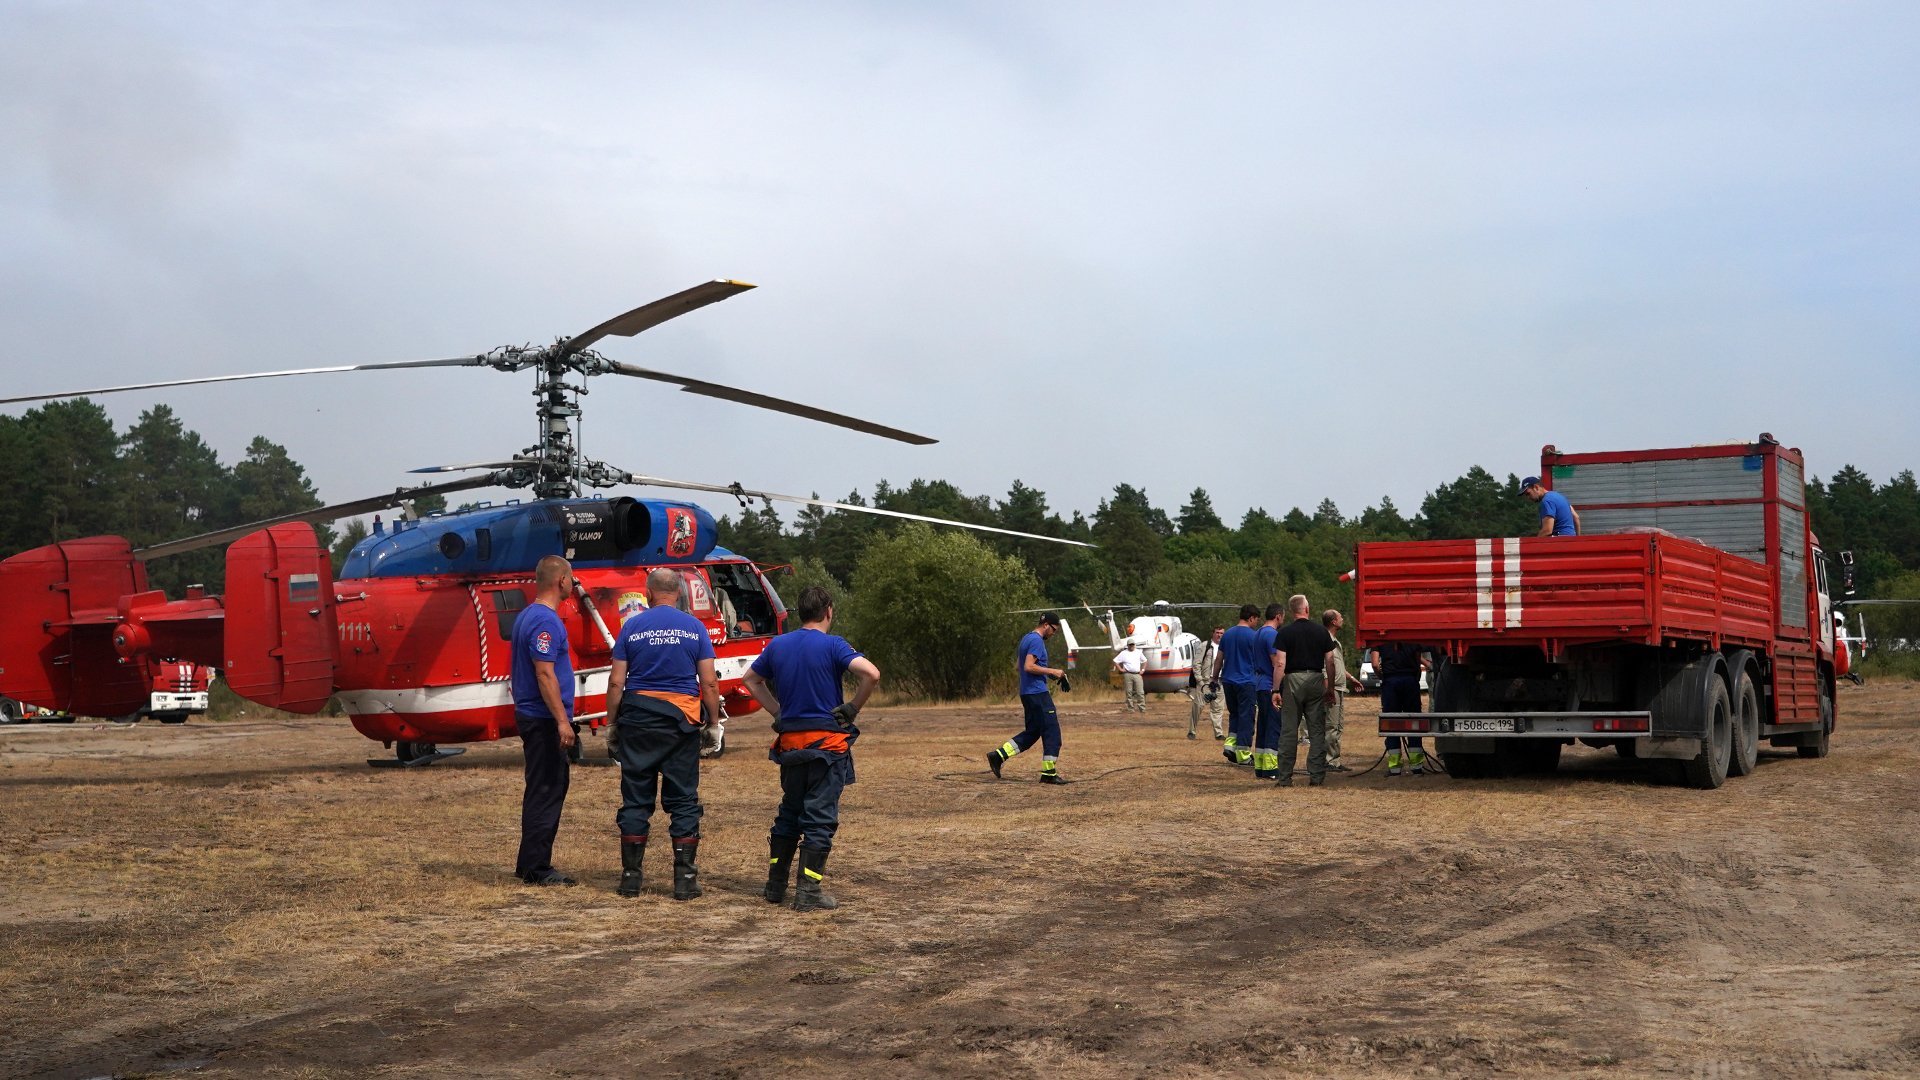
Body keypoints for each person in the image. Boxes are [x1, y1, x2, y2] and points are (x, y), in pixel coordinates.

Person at [741, 585, 881, 912]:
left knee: (789, 812)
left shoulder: (778, 646)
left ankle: (775, 886)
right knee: (819, 818)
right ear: (829, 611)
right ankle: (808, 892)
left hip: (790, 746)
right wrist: (853, 708)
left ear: (800, 612)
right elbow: (871, 674)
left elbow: (750, 680)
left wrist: (778, 712)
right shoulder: (834, 645)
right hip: (827, 748)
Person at [605, 567, 720, 901]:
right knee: (683, 800)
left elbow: (616, 682)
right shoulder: (695, 627)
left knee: (635, 801)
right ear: (679, 593)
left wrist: (612, 725)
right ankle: (684, 882)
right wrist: (713, 724)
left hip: (638, 721)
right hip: (680, 723)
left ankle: (630, 880)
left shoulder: (632, 628)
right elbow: (709, 682)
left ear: (649, 593)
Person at [511, 555, 579, 886]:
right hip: (542, 719)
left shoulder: (528, 615)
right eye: (571, 578)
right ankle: (538, 867)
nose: (573, 584)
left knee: (540, 788)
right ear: (560, 580)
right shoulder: (545, 622)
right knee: (548, 789)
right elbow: (544, 673)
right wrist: (562, 721)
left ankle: (529, 862)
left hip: (533, 715)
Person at [988, 613, 1071, 783]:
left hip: (1027, 693)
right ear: (1046, 625)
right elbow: (1028, 666)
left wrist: (1045, 674)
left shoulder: (1026, 638)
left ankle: (998, 756)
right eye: (1054, 630)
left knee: (1033, 732)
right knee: (1052, 732)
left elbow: (1019, 666)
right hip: (1038, 693)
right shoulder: (1037, 641)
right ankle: (1049, 774)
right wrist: (1053, 671)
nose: (1053, 634)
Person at [1270, 594, 1339, 787]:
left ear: (1292, 611)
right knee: (1317, 730)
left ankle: (1284, 778)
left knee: (1289, 730)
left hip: (1292, 679)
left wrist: (1276, 689)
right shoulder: (1321, 631)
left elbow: (1280, 663)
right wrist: (1331, 687)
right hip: (1316, 679)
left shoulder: (1284, 633)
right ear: (1307, 609)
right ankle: (1316, 776)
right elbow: (1330, 661)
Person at [1370, 641, 1432, 775]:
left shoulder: (1378, 639)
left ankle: (1395, 768)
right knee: (1414, 723)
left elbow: (1375, 664)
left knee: (1391, 723)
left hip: (1391, 682)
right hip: (1410, 681)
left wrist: (1383, 677)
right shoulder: (1411, 638)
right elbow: (1417, 660)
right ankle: (1416, 767)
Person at [1216, 605, 1263, 766]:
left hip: (1228, 681)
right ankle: (1243, 754)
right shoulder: (1254, 636)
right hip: (1246, 682)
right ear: (1251, 618)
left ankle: (1230, 746)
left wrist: (1214, 679)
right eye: (1256, 620)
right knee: (1247, 717)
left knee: (1234, 714)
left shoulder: (1227, 634)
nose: (1257, 623)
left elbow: (1218, 659)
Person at [1320, 609, 1365, 771]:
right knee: (1331, 726)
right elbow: (1325, 668)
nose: (1343, 619)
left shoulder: (1333, 640)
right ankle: (1329, 761)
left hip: (1339, 688)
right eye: (1340, 617)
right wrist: (1328, 689)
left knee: (1338, 726)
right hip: (1332, 689)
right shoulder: (1325, 640)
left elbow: (1337, 666)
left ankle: (1335, 760)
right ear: (1333, 621)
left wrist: (1352, 678)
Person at [1251, 602, 1286, 779]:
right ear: (1278, 616)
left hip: (1259, 683)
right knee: (1273, 725)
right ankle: (1272, 768)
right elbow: (1277, 662)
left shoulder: (1258, 633)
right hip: (1269, 685)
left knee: (1263, 726)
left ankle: (1260, 766)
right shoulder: (1272, 635)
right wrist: (1278, 687)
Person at [1187, 627, 1226, 741]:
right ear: (1213, 634)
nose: (1219, 635)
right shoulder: (1205, 645)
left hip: (1219, 681)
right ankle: (1192, 731)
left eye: (1222, 633)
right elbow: (1197, 663)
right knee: (1198, 706)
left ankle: (1218, 733)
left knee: (1218, 709)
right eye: (1217, 633)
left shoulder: (1226, 647)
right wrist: (1200, 680)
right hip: (1205, 681)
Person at [1113, 639, 1147, 713]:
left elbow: (1145, 661)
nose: (1131, 646)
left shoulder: (1138, 652)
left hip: (1137, 674)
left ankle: (1142, 708)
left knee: (1140, 692)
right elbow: (1115, 661)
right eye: (1130, 645)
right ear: (1127, 645)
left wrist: (1143, 670)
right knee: (1129, 692)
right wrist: (1121, 669)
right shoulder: (1123, 653)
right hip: (1127, 674)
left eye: (1132, 644)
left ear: (1134, 645)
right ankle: (1130, 709)